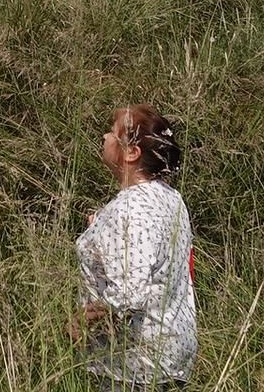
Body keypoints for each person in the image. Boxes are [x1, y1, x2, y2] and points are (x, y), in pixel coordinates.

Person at [76, 104, 197, 389]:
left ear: (132, 153)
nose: (105, 136)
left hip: (135, 361)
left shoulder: (130, 208)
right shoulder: (170, 197)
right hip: (173, 345)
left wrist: (81, 321)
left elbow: (129, 293)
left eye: (113, 132)